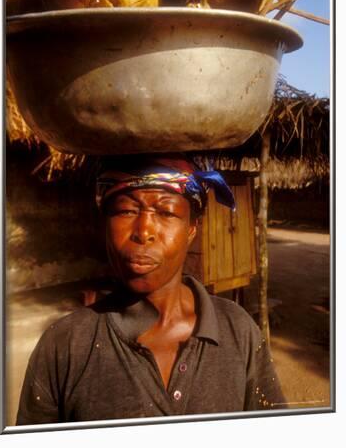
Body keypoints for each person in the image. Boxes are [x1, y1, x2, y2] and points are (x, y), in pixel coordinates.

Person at [16, 153, 286, 425]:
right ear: (105, 223)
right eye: (126, 210)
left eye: (166, 212)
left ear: (192, 227)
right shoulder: (64, 345)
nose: (144, 231)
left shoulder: (238, 330)